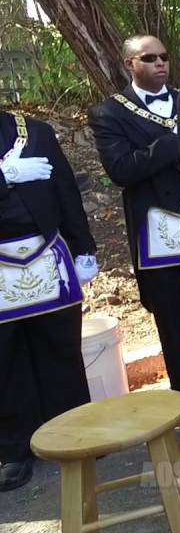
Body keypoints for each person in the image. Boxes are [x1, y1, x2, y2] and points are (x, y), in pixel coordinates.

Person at [88, 35, 180, 431]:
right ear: (129, 64)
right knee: (173, 316)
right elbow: (123, 170)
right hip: (158, 228)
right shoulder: (109, 114)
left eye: (164, 57)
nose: (160, 63)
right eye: (149, 58)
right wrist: (176, 141)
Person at [0, 111, 97, 492]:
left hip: (46, 255)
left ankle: (75, 431)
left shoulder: (33, 131)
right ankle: (13, 449)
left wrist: (84, 246)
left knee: (61, 349)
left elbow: (65, 192)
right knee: (6, 362)